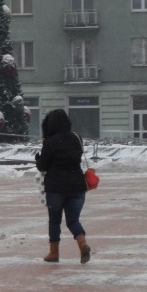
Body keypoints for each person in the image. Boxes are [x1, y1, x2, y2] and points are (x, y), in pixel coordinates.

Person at [35, 109, 91, 264]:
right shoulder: (76, 138)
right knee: (73, 220)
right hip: (77, 186)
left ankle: (54, 253)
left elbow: (43, 166)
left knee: (54, 220)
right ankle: (82, 243)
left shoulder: (50, 142)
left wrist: (38, 159)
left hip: (56, 188)